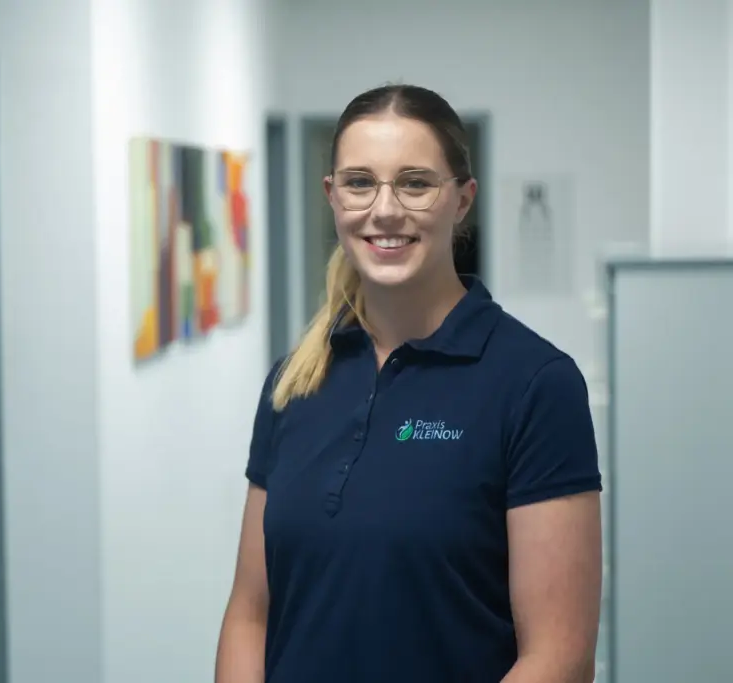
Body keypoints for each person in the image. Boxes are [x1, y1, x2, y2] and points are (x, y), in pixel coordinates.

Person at [214, 84, 602, 683]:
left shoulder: (535, 385)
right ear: (332, 196)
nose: (385, 210)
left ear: (462, 200)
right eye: (360, 182)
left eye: (415, 183)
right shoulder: (293, 383)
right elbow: (250, 612)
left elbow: (559, 658)